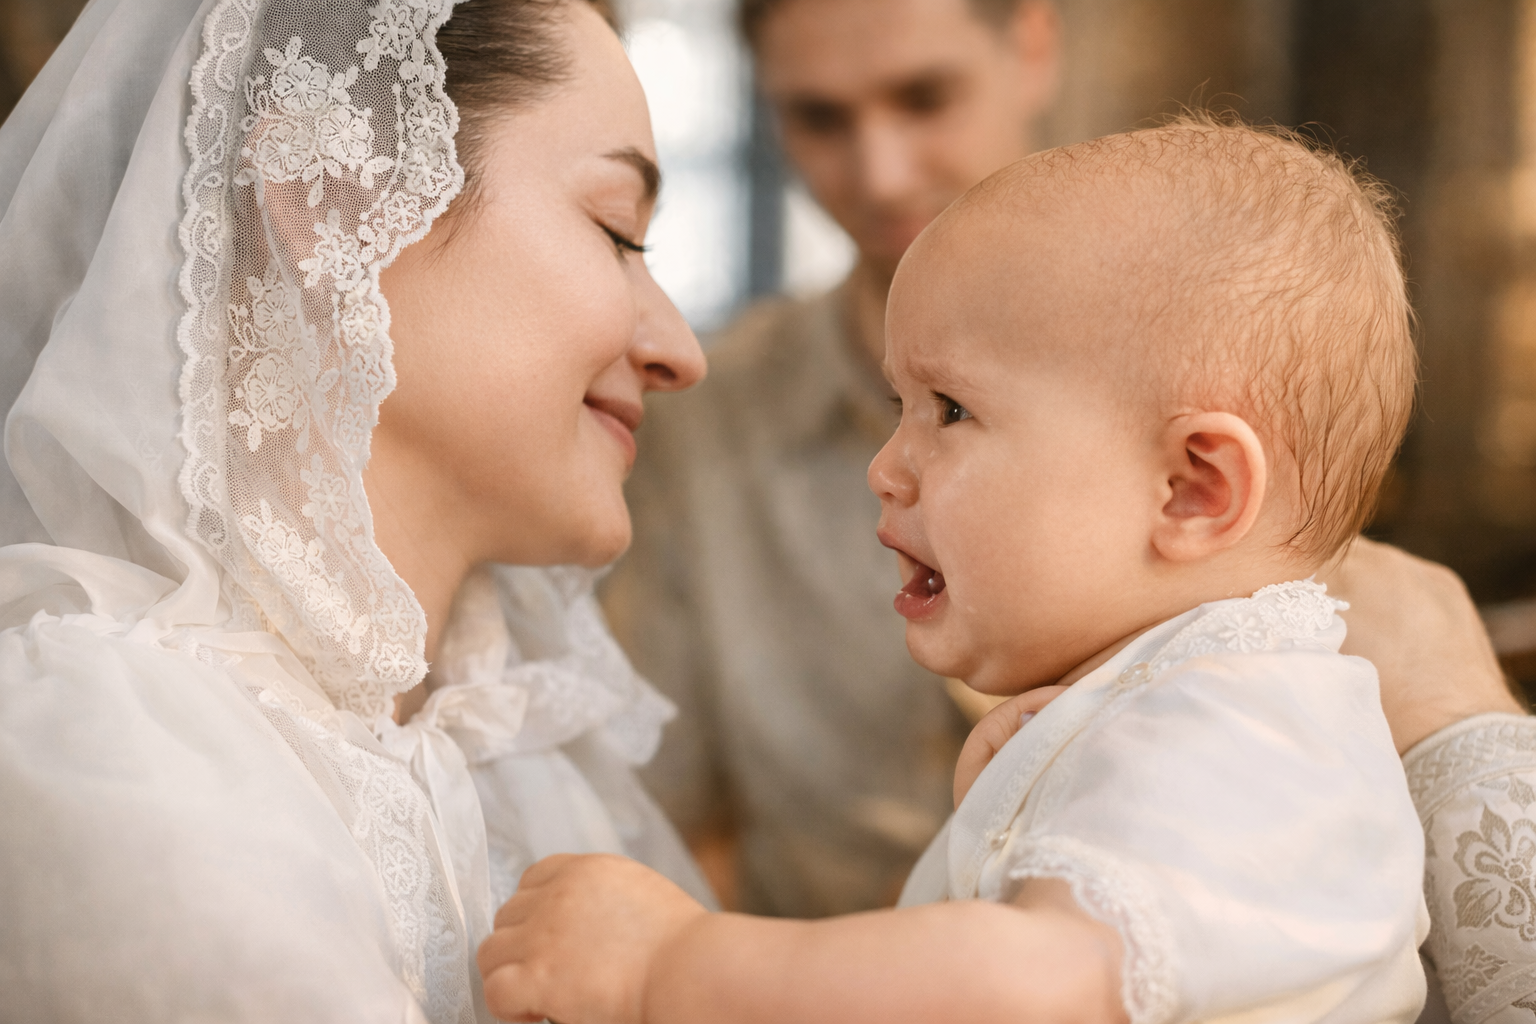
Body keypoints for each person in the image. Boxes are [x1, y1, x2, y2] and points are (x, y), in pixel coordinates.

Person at [479, 119, 1434, 1024]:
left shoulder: (1238, 729)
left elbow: (1029, 991)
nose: (885, 467)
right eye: (901, 404)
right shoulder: (1186, 713)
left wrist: (670, 965)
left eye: (950, 411)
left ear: (1191, 489)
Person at [0, 0, 711, 1018]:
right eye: (617, 231)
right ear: (331, 189)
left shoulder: (521, 757)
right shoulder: (105, 756)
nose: (681, 348)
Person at [603, 0, 1064, 919]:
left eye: (924, 97)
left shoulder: (1210, 355)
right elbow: (666, 835)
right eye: (818, 118)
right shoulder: (700, 422)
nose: (881, 174)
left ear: (1033, 48)